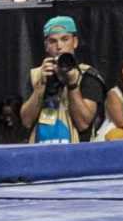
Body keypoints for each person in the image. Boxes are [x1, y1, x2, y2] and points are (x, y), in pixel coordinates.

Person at [21, 13, 104, 141]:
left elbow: (83, 124)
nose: (59, 47)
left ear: (75, 42)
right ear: (46, 46)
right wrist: (40, 87)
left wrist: (72, 84)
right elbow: (26, 122)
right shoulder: (36, 75)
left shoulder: (87, 75)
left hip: (76, 152)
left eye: (65, 39)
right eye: (53, 41)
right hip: (40, 153)